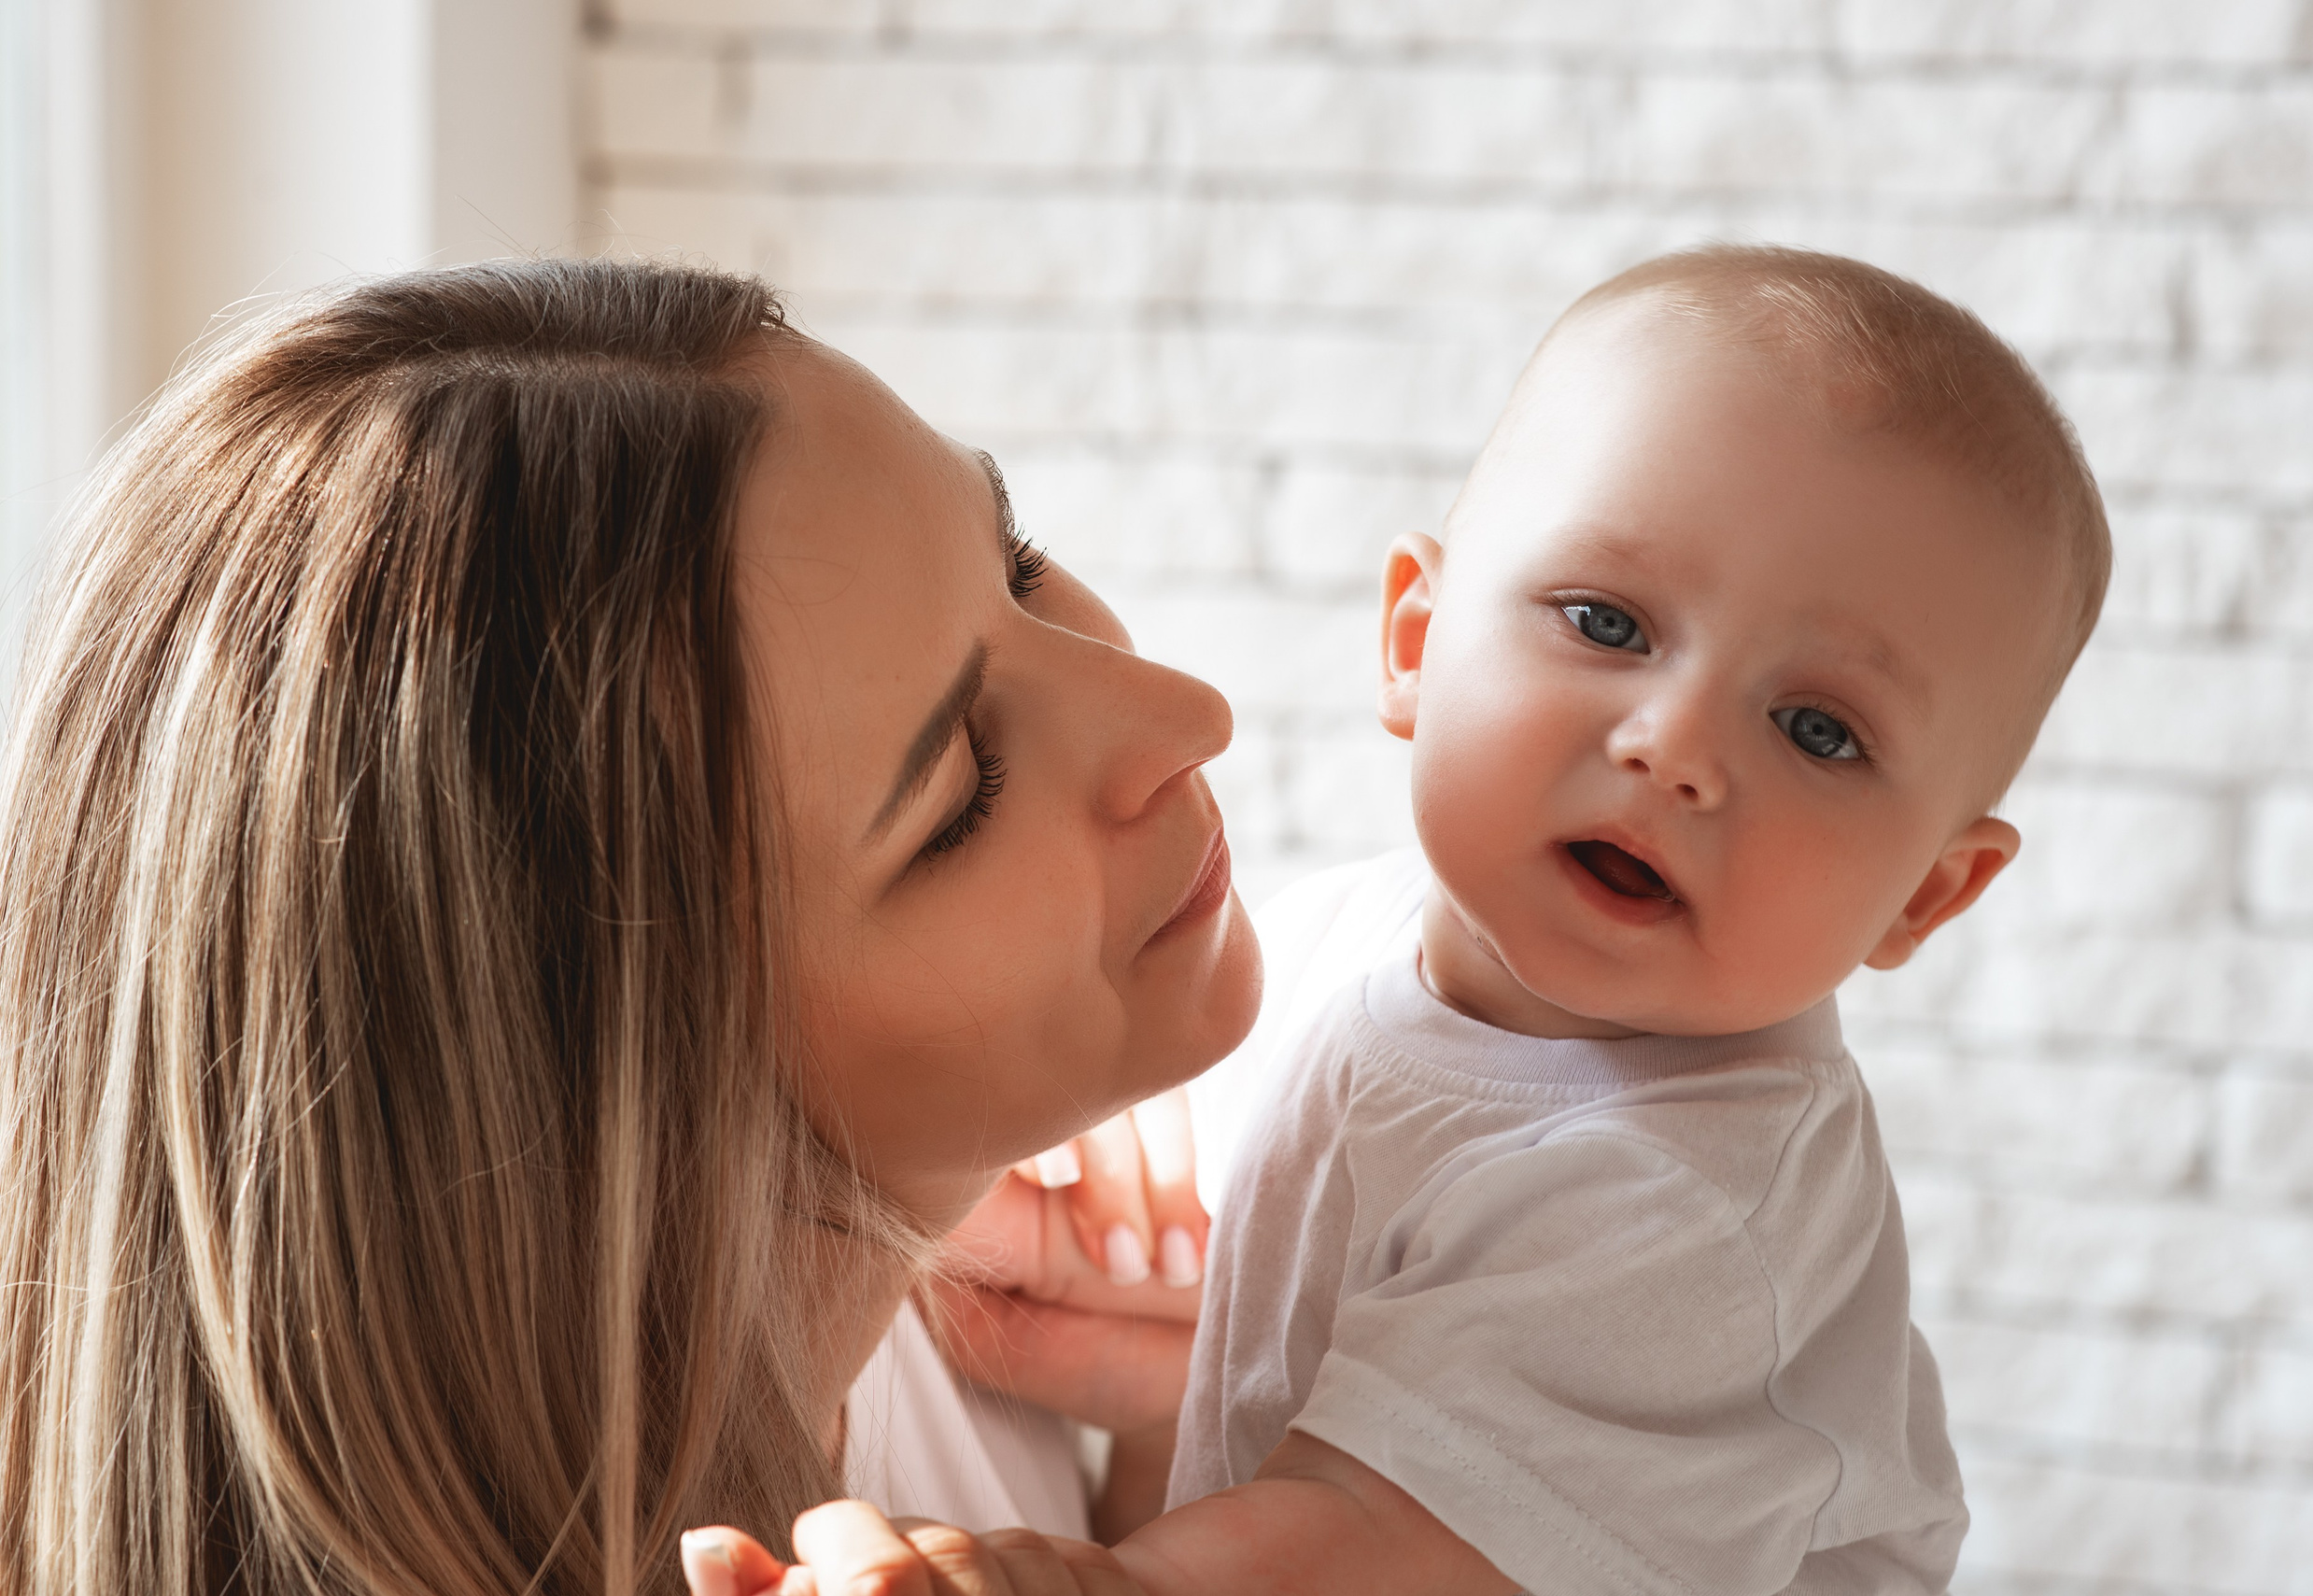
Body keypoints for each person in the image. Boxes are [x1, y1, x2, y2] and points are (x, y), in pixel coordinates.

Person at [686, 245, 2112, 1593]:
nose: (1677, 746)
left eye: (1816, 726)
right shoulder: (1365, 934)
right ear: (1417, 643)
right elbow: (1224, 1220)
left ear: (1927, 890)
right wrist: (1046, 1231)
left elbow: (1369, 1539)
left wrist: (1069, 1576)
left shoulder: (1687, 1202)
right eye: (1608, 624)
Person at [0, 257, 1256, 1596]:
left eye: (1016, 564)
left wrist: (1178, 1452)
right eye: (963, 791)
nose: (1185, 712)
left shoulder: (993, 1328)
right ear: (628, 1109)